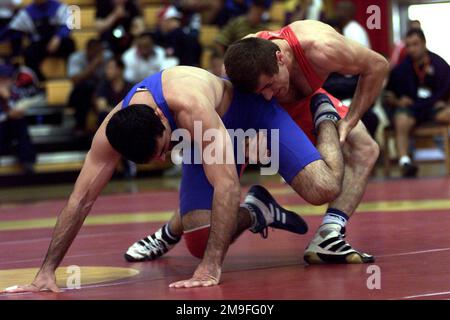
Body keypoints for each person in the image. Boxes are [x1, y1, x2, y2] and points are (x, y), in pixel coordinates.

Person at [2, 65, 345, 292]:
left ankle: (324, 112)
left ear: (158, 116)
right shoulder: (112, 132)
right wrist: (47, 271)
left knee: (323, 188)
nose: (166, 157)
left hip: (245, 113)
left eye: (164, 147)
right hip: (197, 137)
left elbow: (227, 186)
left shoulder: (190, 106)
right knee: (199, 241)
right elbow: (80, 200)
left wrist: (210, 270)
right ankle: (258, 211)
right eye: (159, 158)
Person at [222, 20, 388, 264]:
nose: (268, 92)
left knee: (365, 148)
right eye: (261, 90)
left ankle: (328, 235)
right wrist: (247, 135)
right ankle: (172, 230)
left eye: (270, 84)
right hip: (268, 113)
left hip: (309, 99)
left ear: (280, 58)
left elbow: (378, 65)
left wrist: (350, 121)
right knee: (206, 230)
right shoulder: (245, 64)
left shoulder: (322, 47)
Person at [384, 28, 450, 177]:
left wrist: (445, 102)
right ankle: (405, 162)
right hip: (411, 110)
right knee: (401, 120)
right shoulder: (401, 69)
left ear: (424, 43)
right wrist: (397, 101)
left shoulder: (439, 65)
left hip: (433, 109)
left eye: (415, 44)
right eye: (408, 45)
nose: (412, 49)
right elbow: (388, 95)